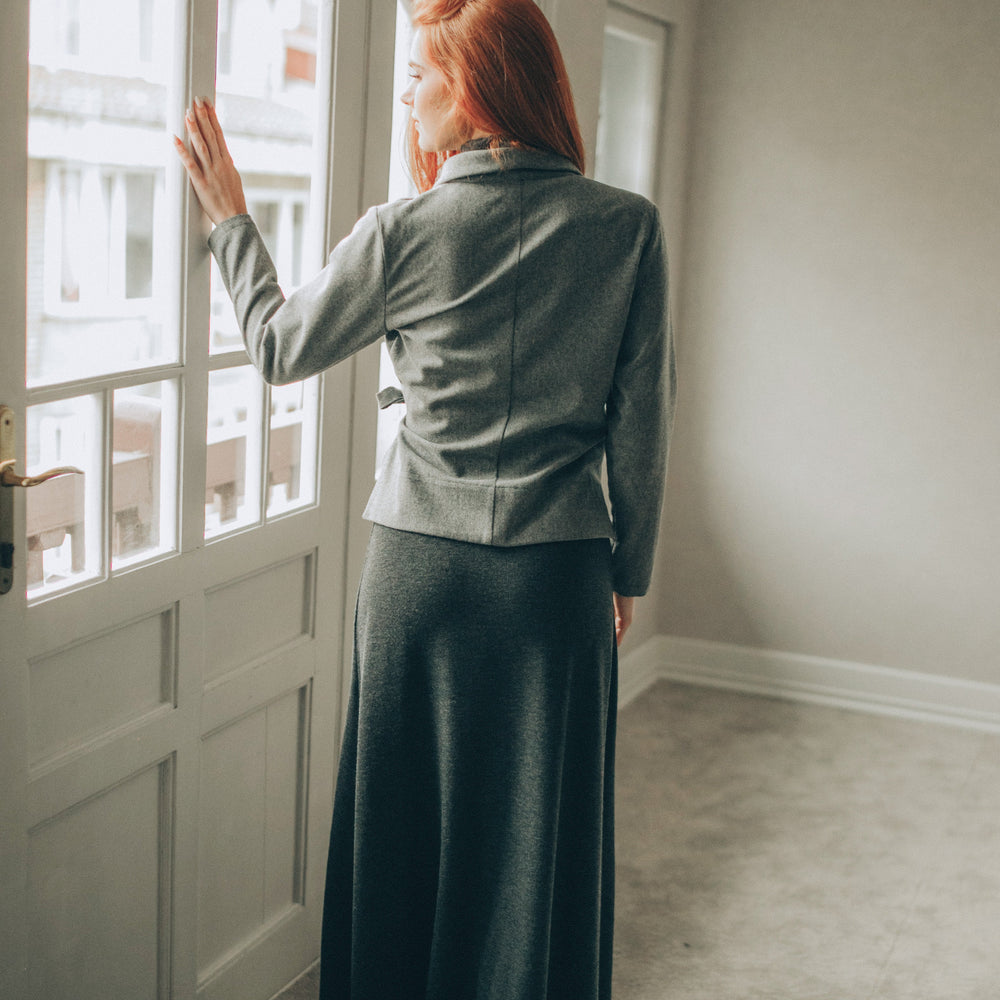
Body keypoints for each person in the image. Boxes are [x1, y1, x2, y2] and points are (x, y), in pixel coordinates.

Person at [175, 0, 675, 995]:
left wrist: (232, 220)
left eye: (419, 78)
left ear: (477, 89)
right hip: (556, 575)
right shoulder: (626, 228)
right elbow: (641, 423)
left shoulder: (403, 230)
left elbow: (278, 345)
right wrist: (624, 571)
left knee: (403, 824)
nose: (408, 97)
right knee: (537, 828)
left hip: (417, 573)